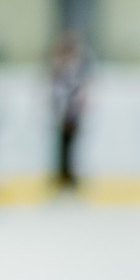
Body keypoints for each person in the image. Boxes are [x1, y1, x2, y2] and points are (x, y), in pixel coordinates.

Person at [49, 29, 90, 194]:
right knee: (62, 147)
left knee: (72, 147)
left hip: (71, 114)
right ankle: (63, 179)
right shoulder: (58, 68)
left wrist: (79, 106)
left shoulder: (76, 68)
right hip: (63, 114)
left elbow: (80, 91)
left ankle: (71, 180)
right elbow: (55, 91)